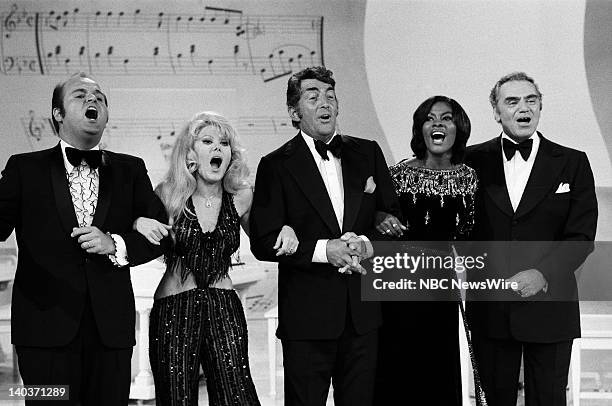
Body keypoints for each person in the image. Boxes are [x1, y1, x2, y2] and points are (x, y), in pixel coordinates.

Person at [0, 72, 168, 405]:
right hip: (42, 329)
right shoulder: (23, 168)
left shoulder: (130, 169)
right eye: (80, 95)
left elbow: (161, 234)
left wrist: (115, 244)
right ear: (57, 114)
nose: (93, 100)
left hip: (111, 331)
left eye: (100, 97)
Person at [249, 66, 401, 406]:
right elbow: (262, 241)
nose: (325, 102)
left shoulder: (368, 153)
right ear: (293, 111)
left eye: (330, 96)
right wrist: (323, 250)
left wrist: (364, 245)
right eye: (313, 96)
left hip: (362, 316)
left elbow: (394, 220)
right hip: (306, 319)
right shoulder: (275, 165)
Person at [133, 111, 298, 406]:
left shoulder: (242, 196)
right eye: (207, 141)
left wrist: (285, 227)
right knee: (176, 399)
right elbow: (138, 234)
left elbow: (265, 238)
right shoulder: (168, 194)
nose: (217, 148)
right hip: (174, 310)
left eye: (224, 142)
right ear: (190, 153)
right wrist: (136, 223)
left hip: (224, 309)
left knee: (237, 397)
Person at [465, 72, 598, 406]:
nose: (523, 108)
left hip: (552, 308)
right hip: (491, 310)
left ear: (540, 106)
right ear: (496, 112)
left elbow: (581, 236)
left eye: (531, 100)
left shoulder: (572, 162)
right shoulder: (470, 162)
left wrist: (543, 274)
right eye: (512, 101)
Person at [372, 95, 477, 405]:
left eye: (446, 118)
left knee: (436, 373)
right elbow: (371, 218)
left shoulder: (470, 179)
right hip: (396, 290)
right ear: (420, 129)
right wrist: (379, 218)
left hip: (439, 292)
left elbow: (471, 237)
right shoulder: (398, 175)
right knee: (395, 371)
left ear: (459, 128)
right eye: (430, 118)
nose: (438, 124)